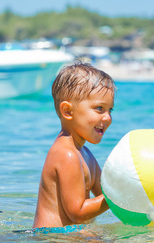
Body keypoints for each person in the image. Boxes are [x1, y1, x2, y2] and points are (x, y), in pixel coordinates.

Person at [33, 61, 115, 229]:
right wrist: (120, 193)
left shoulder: (86, 155)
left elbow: (105, 193)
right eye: (99, 109)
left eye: (110, 110)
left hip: (69, 240)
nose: (107, 118)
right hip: (53, 242)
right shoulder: (66, 154)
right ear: (68, 111)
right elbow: (77, 213)